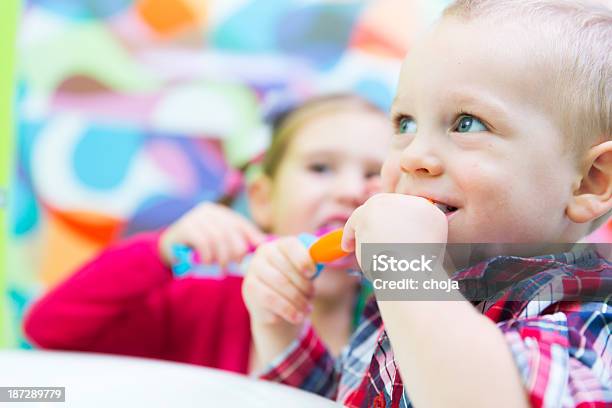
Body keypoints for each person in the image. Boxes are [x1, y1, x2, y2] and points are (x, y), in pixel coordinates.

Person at [245, 1, 612, 406]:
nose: (412, 157)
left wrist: (404, 269)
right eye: (405, 123)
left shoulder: (587, 316)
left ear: (591, 182)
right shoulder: (412, 297)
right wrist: (282, 330)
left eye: (467, 122)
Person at [23, 93, 392, 374]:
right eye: (321, 167)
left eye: (374, 172)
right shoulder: (201, 304)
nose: (349, 190)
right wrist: (158, 253)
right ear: (262, 200)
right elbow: (48, 330)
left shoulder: (399, 326)